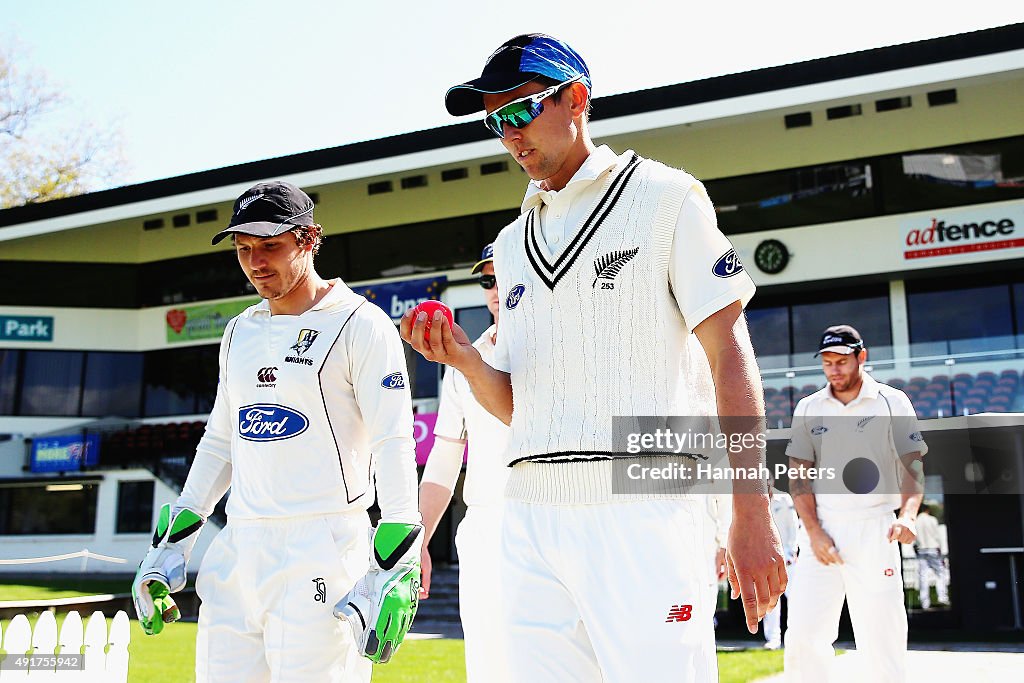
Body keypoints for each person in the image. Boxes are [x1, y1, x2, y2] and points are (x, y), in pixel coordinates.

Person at [403, 34, 786, 682]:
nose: (508, 135)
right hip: (532, 521)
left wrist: (750, 510)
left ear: (575, 99)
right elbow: (520, 405)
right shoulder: (511, 243)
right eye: (495, 122)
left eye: (519, 111)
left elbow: (729, 355)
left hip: (645, 509)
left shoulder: (666, 198)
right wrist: (468, 360)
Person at [131, 181, 422, 682]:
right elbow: (222, 440)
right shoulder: (239, 330)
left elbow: (393, 439)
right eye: (244, 249)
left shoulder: (361, 323)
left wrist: (398, 562)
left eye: (270, 246)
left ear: (309, 239)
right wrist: (170, 546)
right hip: (239, 546)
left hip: (323, 546)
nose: (255, 262)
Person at [784, 324, 926, 682]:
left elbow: (912, 466)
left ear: (861, 357)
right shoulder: (809, 406)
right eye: (828, 362)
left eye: (842, 361)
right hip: (821, 532)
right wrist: (814, 532)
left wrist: (908, 516)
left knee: (882, 636)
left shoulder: (891, 400)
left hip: (876, 527)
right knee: (803, 635)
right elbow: (798, 477)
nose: (834, 369)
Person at [418, 243, 512, 681]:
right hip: (485, 529)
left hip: (554, 518)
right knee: (489, 669)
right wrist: (417, 539)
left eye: (504, 275)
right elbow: (442, 463)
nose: (494, 289)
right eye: (486, 280)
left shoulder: (564, 347)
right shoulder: (460, 364)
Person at [763, 482, 799, 650]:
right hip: (767, 558)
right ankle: (773, 639)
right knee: (771, 599)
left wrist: (792, 551)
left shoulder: (784, 498)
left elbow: (793, 526)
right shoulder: (754, 500)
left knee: (794, 598)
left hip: (787, 557)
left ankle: (796, 635)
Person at [914, 502, 949, 609]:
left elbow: (914, 538)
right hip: (933, 548)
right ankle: (942, 597)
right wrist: (941, 550)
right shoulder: (932, 520)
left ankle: (925, 602)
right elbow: (937, 536)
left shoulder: (915, 521)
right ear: (927, 510)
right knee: (940, 573)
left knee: (923, 576)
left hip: (921, 550)